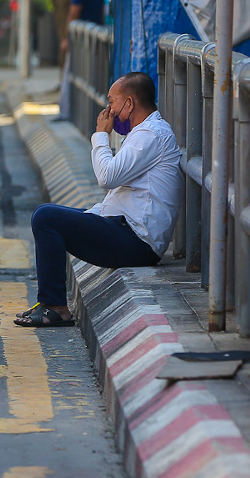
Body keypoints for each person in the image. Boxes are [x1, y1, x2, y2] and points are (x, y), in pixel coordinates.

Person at [15, 71, 183, 327]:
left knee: (45, 217)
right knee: (53, 214)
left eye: (112, 101)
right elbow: (115, 195)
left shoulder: (151, 135)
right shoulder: (143, 133)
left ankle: (56, 307)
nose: (109, 110)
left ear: (129, 103)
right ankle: (49, 302)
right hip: (126, 230)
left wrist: (101, 135)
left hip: (136, 241)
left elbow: (106, 177)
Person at [57, 0, 107, 121]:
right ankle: (91, 116)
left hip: (80, 39)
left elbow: (74, 12)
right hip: (96, 36)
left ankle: (66, 112)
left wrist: (66, 37)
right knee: (93, 77)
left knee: (73, 74)